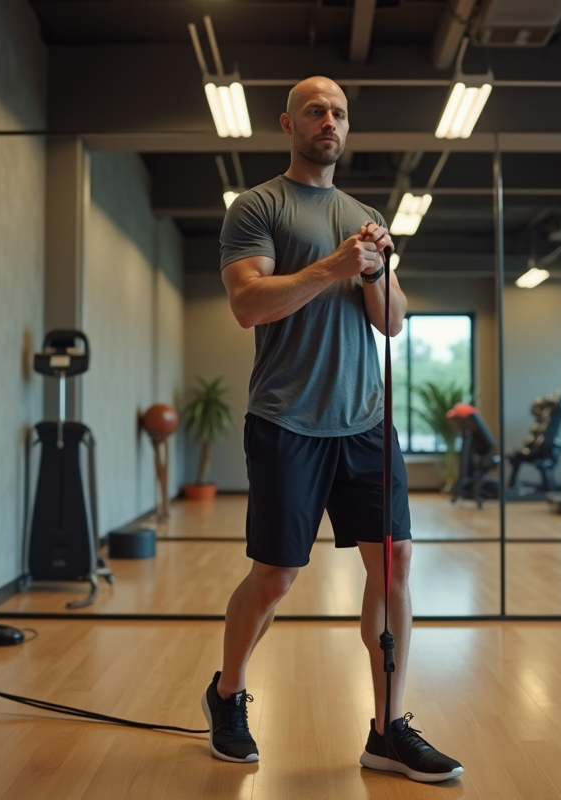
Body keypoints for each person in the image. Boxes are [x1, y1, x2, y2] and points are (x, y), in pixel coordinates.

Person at [200, 75, 464, 783]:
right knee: (278, 575)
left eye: (340, 112)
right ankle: (226, 695)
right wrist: (333, 265)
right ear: (286, 122)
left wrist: (374, 270)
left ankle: (387, 728)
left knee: (396, 562)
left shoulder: (364, 212)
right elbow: (249, 304)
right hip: (286, 418)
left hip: (365, 423)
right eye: (315, 110)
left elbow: (393, 320)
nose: (329, 120)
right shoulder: (259, 205)